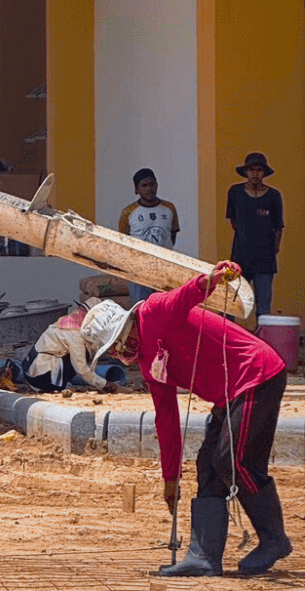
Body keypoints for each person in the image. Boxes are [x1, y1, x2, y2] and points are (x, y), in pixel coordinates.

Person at [80, 260, 292, 577]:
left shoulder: (153, 312)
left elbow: (185, 295)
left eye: (114, 346)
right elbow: (166, 420)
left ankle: (274, 538)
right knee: (208, 464)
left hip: (256, 375)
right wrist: (170, 479)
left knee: (233, 461)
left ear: (125, 330)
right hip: (229, 393)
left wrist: (213, 278)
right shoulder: (148, 361)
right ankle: (204, 556)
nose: (116, 354)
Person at [226, 152, 284, 318]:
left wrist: (273, 249)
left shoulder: (274, 196)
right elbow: (234, 222)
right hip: (239, 257)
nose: (255, 173)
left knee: (263, 309)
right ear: (246, 172)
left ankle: (262, 342)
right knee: (230, 304)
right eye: (252, 169)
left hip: (265, 260)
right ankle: (226, 341)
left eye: (259, 170)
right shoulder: (235, 192)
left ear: (264, 172)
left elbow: (278, 226)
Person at [118, 167, 181, 303]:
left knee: (165, 308)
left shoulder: (169, 208)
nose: (149, 189)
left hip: (165, 269)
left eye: (152, 184)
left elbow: (172, 236)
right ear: (137, 189)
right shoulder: (128, 212)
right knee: (141, 308)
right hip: (139, 270)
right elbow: (122, 242)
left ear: (157, 185)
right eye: (144, 185)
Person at [21, 300, 111, 393]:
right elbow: (81, 370)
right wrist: (104, 384)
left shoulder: (67, 321)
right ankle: (52, 387)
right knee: (79, 357)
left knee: (79, 353)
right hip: (39, 378)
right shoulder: (75, 333)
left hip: (32, 372)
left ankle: (55, 384)